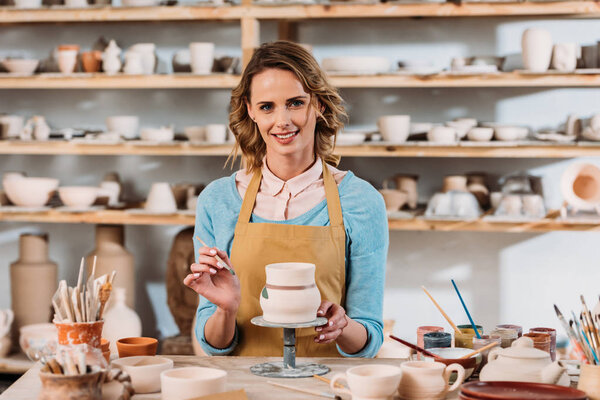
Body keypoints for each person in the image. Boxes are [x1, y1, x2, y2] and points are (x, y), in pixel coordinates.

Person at [184, 41, 388, 358]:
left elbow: (369, 336)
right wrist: (225, 310)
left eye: (295, 103)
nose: (282, 121)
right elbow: (214, 344)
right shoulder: (218, 201)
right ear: (250, 111)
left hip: (328, 388)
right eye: (267, 107)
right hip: (245, 388)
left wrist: (343, 327)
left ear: (318, 104)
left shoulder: (361, 201)